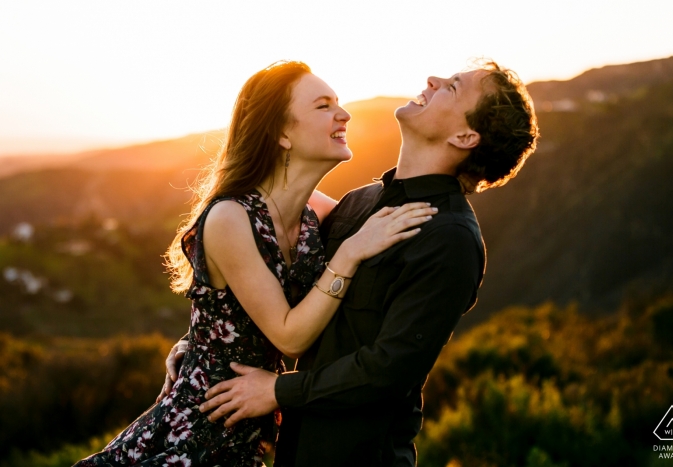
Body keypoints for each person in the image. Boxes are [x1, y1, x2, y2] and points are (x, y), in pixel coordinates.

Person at [73, 61, 434, 467]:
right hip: (201, 422)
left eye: (339, 103)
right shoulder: (230, 217)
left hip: (252, 430)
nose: (344, 114)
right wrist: (350, 252)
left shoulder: (317, 215)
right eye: (323, 105)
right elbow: (289, 337)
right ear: (281, 133)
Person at [184, 61, 539, 466]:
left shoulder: (449, 238)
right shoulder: (358, 203)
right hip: (295, 451)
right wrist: (202, 341)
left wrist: (278, 391)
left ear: (465, 136)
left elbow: (389, 370)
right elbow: (280, 288)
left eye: (453, 87)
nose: (432, 80)